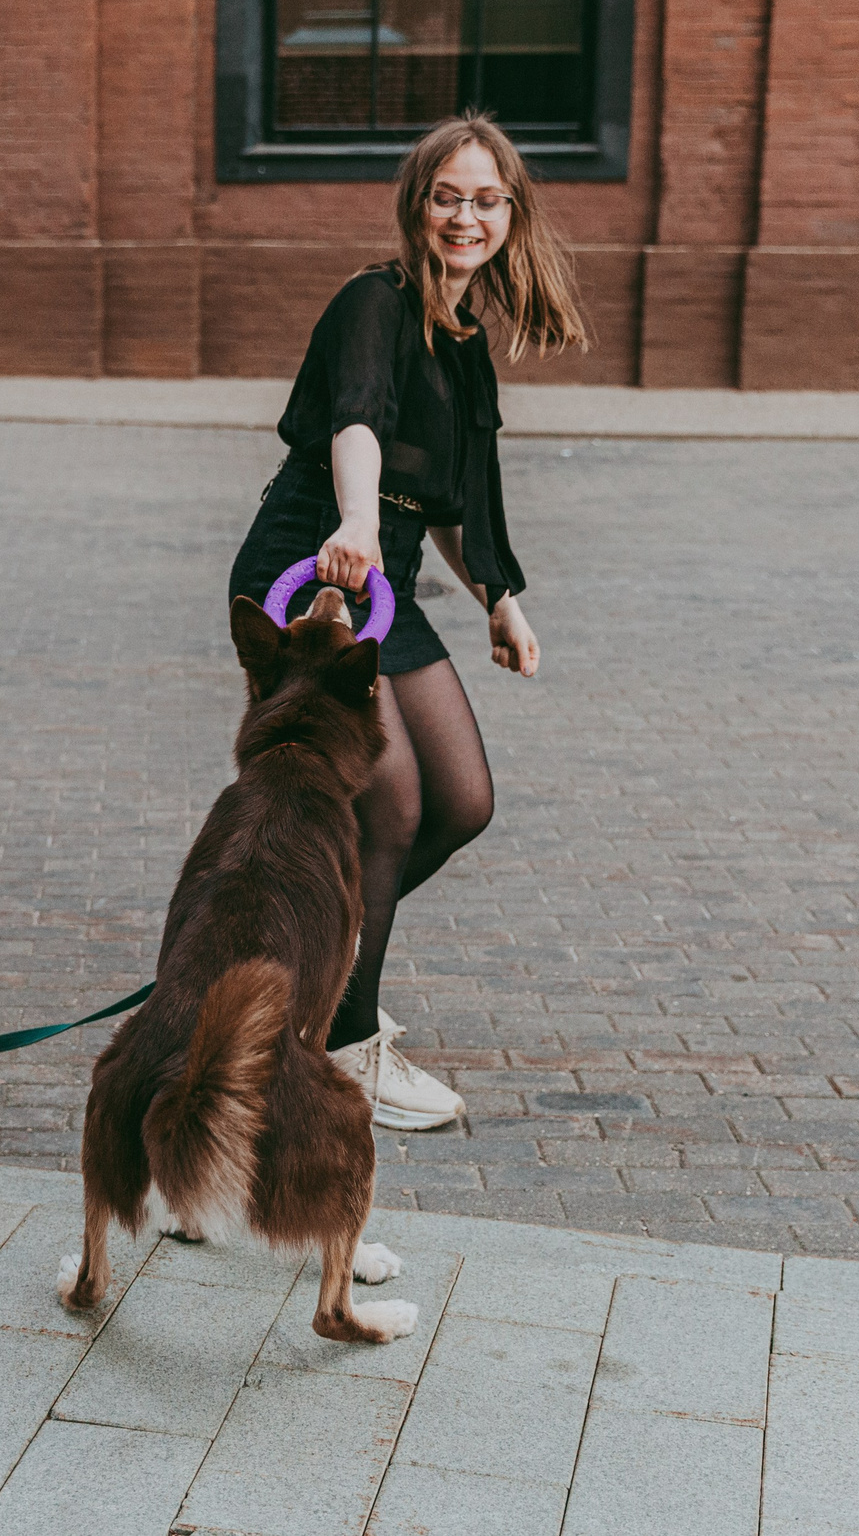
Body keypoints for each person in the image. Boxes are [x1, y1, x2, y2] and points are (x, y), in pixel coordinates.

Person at [227, 110, 588, 1131]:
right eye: (446, 196)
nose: (465, 217)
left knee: (460, 802)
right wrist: (351, 521)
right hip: (314, 571)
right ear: (416, 205)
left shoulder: (465, 342)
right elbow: (358, 417)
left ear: (511, 215)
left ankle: (300, 964)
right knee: (386, 809)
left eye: (485, 200)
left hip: (387, 579)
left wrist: (500, 599)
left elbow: (456, 504)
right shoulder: (373, 302)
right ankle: (343, 1044)